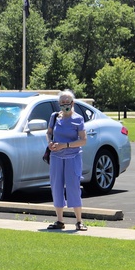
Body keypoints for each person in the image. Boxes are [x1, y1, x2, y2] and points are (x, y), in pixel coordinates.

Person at [47, 90, 88, 231]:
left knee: (73, 187)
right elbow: (49, 133)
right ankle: (59, 220)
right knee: (56, 186)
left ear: (72, 103)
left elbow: (83, 140)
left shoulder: (78, 119)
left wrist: (65, 145)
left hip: (73, 157)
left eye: (67, 102)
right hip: (56, 157)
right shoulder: (54, 117)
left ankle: (79, 221)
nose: (65, 105)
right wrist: (50, 143)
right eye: (62, 103)